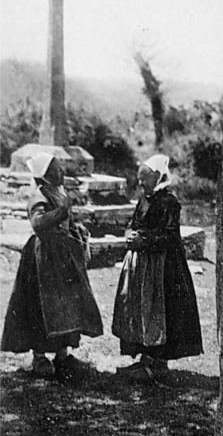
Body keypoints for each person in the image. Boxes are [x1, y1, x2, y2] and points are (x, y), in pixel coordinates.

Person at [1, 153, 103, 380]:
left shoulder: (59, 192)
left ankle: (62, 353)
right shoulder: (38, 196)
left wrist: (77, 230)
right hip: (44, 258)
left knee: (66, 304)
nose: (62, 173)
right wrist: (61, 212)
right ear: (45, 176)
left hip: (63, 257)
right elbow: (38, 223)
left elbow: (67, 222)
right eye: (57, 170)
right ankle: (39, 356)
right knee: (42, 305)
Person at [112, 154, 203, 380]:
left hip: (164, 267)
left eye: (144, 179)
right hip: (142, 266)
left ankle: (159, 363)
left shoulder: (169, 203)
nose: (141, 184)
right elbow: (134, 224)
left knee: (161, 310)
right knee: (142, 309)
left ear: (158, 177)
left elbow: (171, 237)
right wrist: (130, 236)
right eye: (139, 179)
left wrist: (146, 241)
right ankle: (146, 358)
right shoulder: (144, 200)